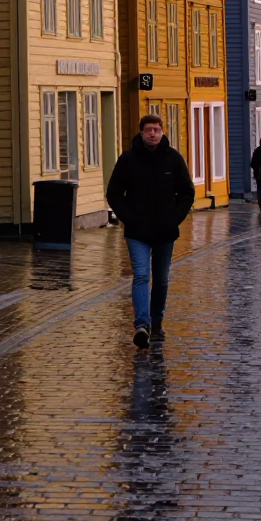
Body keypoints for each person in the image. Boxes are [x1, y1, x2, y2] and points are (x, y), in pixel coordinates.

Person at [107, 114, 195, 349]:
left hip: (165, 231)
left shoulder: (173, 159)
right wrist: (129, 218)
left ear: (162, 132)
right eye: (148, 130)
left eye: (156, 129)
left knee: (162, 279)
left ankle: (157, 321)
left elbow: (187, 192)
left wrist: (174, 218)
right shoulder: (128, 160)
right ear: (141, 132)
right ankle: (141, 326)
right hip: (137, 231)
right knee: (142, 276)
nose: (152, 134)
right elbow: (114, 194)